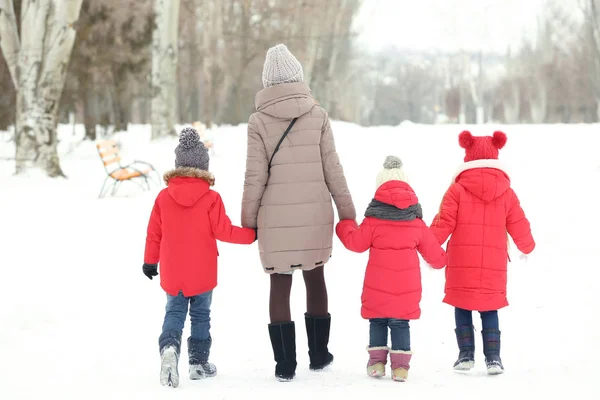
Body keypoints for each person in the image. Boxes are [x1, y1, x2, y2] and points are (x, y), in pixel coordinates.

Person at [241, 44, 356, 381]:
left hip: (274, 219)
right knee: (315, 276)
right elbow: (333, 169)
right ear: (298, 77)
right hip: (315, 215)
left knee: (279, 282)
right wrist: (347, 212)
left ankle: (284, 364)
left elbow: (254, 176)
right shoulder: (317, 115)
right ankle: (319, 355)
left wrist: (248, 221)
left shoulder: (257, 121)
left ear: (267, 82)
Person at [143, 127, 256, 388]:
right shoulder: (211, 198)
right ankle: (198, 363)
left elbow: (154, 234)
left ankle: (170, 347)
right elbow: (224, 231)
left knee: (174, 311)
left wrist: (150, 261)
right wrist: (251, 235)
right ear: (203, 167)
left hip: (173, 270)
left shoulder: (163, 197)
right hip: (202, 270)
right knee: (201, 316)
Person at [430, 130, 535, 375]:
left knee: (462, 305)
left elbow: (443, 222)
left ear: (467, 155)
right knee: (490, 307)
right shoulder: (507, 192)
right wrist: (527, 246)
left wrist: (428, 244)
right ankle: (494, 358)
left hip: (460, 262)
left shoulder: (456, 190)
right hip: (493, 263)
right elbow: (518, 222)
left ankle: (465, 354)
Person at [336, 156, 447, 382]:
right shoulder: (416, 223)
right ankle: (400, 368)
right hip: (407, 289)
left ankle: (376, 363)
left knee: (377, 321)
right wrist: (443, 260)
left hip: (377, 288)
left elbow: (355, 243)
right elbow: (436, 256)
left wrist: (344, 225)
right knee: (400, 323)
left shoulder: (373, 220)